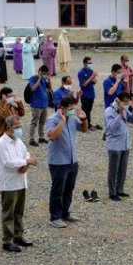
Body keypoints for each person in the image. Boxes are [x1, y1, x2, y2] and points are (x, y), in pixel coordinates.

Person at [0, 116, 38, 252]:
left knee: (19, 211)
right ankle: (7, 240)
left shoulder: (18, 141)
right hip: (9, 183)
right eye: (17, 126)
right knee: (9, 212)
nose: (19, 129)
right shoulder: (1, 143)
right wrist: (26, 162)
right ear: (8, 128)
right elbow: (7, 162)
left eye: (20, 126)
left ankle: (18, 235)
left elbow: (26, 154)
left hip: (20, 180)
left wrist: (26, 165)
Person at [45, 95, 87, 228]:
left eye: (73, 108)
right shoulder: (52, 119)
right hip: (58, 162)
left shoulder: (73, 117)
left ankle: (65, 212)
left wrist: (84, 118)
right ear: (61, 108)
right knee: (58, 190)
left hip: (72, 160)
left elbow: (84, 129)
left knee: (69, 188)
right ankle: (55, 217)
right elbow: (52, 136)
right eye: (69, 108)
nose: (71, 110)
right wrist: (62, 122)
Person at [103, 91, 133, 201]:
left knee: (122, 169)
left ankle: (120, 189)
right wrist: (120, 115)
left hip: (124, 144)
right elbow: (111, 128)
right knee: (113, 170)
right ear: (119, 101)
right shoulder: (109, 111)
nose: (127, 104)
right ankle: (112, 192)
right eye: (126, 102)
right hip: (114, 145)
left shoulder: (125, 108)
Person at [27, 65, 51, 146]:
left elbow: (49, 88)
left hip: (44, 104)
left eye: (46, 73)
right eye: (44, 73)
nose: (45, 74)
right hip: (36, 105)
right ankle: (31, 139)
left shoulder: (45, 79)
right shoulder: (33, 78)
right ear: (40, 71)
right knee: (34, 122)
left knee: (42, 122)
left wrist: (49, 79)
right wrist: (39, 78)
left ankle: (41, 137)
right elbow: (33, 88)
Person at [78, 56, 100, 130]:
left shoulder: (90, 71)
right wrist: (92, 77)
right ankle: (83, 124)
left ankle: (88, 123)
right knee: (85, 110)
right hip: (85, 95)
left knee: (89, 110)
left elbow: (93, 82)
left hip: (91, 94)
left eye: (91, 63)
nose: (90, 64)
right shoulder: (81, 73)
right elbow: (84, 84)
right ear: (84, 64)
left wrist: (95, 79)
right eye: (89, 63)